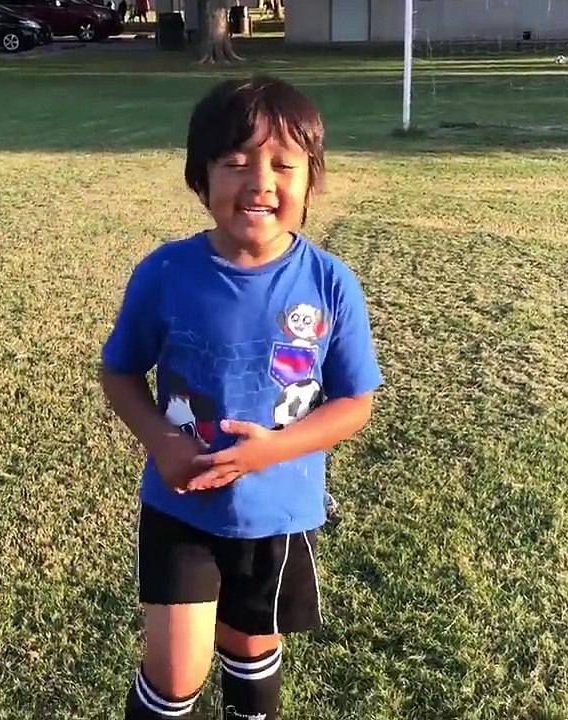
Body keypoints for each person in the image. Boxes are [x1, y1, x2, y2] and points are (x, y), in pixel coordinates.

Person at [99, 75, 383, 720]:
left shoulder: (330, 282)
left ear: (312, 182)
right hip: (182, 507)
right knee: (175, 676)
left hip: (276, 512)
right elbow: (119, 373)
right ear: (201, 180)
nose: (260, 182)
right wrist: (163, 440)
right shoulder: (166, 273)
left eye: (284, 165)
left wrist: (272, 451)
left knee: (250, 648)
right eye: (235, 163)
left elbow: (353, 403)